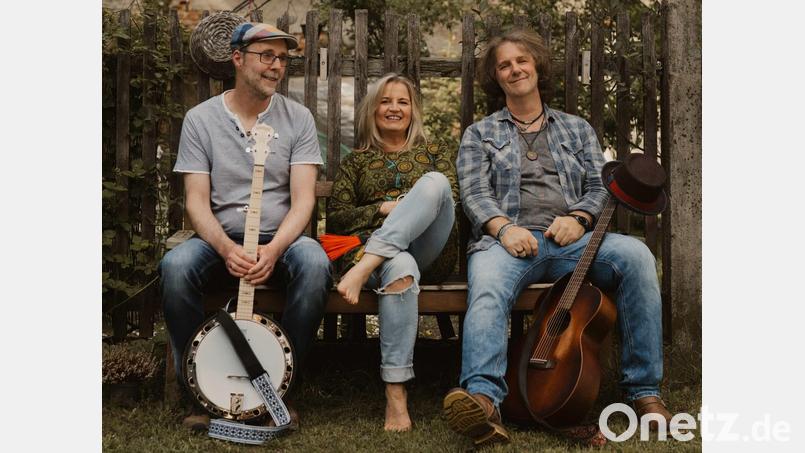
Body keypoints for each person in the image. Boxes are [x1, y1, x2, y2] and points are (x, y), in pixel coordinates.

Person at [442, 28, 669, 447]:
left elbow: (601, 187)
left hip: (572, 241)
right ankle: (483, 401)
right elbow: (474, 193)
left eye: (521, 60)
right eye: (504, 65)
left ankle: (644, 393)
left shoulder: (576, 128)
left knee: (636, 255)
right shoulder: (479, 134)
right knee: (488, 284)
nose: (514, 69)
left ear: (536, 66)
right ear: (496, 77)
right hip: (505, 244)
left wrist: (580, 218)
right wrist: (503, 229)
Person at [159, 22, 332, 431]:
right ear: (238, 58)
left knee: (315, 264)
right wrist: (225, 248)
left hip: (279, 240)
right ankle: (201, 391)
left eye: (282, 59)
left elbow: (303, 198)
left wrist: (273, 251)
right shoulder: (201, 120)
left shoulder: (298, 119)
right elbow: (197, 201)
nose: (275, 66)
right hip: (219, 241)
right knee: (175, 267)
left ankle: (276, 389)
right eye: (266, 56)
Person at [327, 73, 459, 432]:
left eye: (402, 102)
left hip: (429, 250)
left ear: (413, 110)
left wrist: (408, 211)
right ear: (373, 110)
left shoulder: (435, 153)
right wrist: (383, 209)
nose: (394, 108)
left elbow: (452, 203)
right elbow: (336, 218)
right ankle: (396, 395)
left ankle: (368, 263)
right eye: (386, 101)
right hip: (378, 254)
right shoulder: (355, 163)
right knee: (400, 262)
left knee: (435, 182)